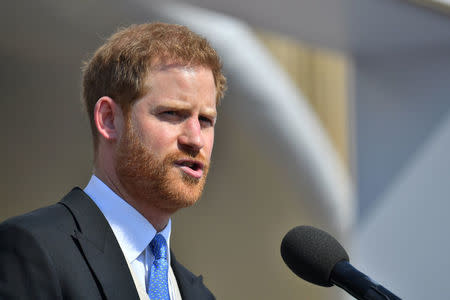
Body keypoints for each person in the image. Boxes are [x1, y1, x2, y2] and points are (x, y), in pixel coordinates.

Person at [0, 22, 226, 300]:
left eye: (206, 120)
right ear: (109, 119)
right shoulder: (33, 250)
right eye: (172, 113)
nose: (196, 139)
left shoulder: (200, 295)